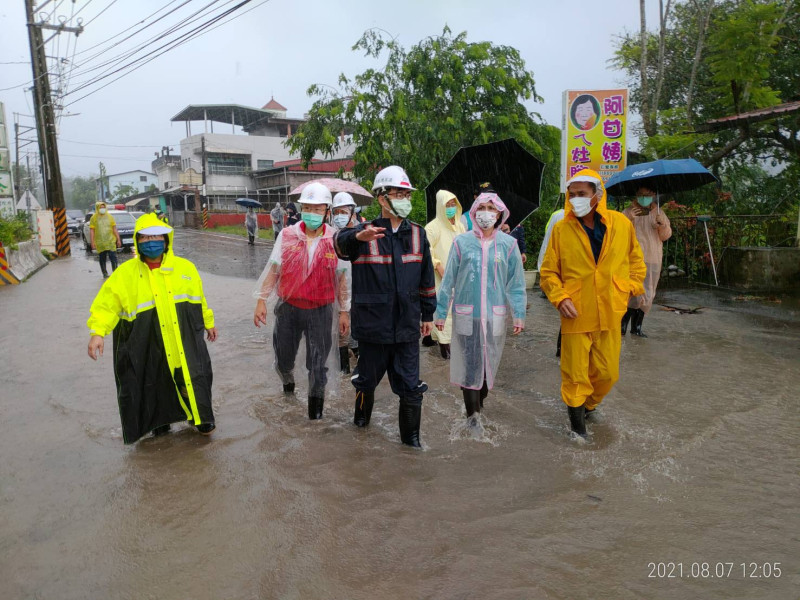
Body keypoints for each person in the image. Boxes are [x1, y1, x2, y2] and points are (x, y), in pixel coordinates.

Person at [87, 213, 217, 443]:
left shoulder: (186, 268)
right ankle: (160, 424)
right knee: (154, 385)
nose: (151, 242)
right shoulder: (125, 275)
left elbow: (199, 300)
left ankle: (200, 418)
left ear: (167, 239)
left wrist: (209, 322)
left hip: (183, 345)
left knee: (195, 380)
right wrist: (98, 332)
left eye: (156, 237)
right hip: (151, 345)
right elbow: (106, 305)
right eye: (145, 238)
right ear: (137, 241)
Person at [334, 165, 436, 448]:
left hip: (406, 326)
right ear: (381, 197)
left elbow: (426, 275)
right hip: (372, 326)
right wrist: (356, 237)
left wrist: (428, 313)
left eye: (407, 193)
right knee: (366, 382)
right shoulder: (362, 232)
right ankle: (361, 426)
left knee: (411, 387)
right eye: (398, 193)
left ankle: (412, 444)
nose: (404, 198)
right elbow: (339, 246)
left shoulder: (417, 234)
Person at [540, 169, 645, 438]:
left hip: (611, 309)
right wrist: (559, 297)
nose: (576, 199)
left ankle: (588, 405)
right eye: (572, 195)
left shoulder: (621, 224)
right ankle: (578, 432)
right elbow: (549, 272)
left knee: (608, 373)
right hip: (576, 312)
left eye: (582, 194)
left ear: (597, 195)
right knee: (575, 374)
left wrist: (630, 287)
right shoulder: (562, 229)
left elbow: (635, 261)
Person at [253, 182, 351, 420]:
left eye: (318, 209)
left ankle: (314, 417)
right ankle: (288, 384)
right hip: (289, 309)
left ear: (327, 211)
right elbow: (274, 269)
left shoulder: (336, 239)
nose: (312, 213)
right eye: (308, 207)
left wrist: (344, 311)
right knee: (283, 360)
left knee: (318, 366)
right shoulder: (287, 235)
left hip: (320, 311)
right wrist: (261, 300)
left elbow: (342, 279)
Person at [435, 192, 526, 425]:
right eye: (482, 208)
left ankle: (479, 402)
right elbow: (449, 281)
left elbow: (516, 284)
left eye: (491, 208)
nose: (486, 213)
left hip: (494, 317)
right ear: (474, 212)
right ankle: (472, 418)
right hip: (468, 315)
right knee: (469, 368)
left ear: (499, 214)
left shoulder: (508, 245)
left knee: (487, 368)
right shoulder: (461, 242)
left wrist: (519, 315)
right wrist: (441, 313)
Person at [621, 188, 672, 337]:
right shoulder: (628, 212)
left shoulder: (658, 212)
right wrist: (628, 219)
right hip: (633, 259)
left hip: (653, 258)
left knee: (648, 293)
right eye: (642, 195)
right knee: (633, 292)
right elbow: (618, 232)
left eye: (648, 195)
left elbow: (665, 236)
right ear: (636, 195)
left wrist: (662, 224)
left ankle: (637, 327)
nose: (645, 198)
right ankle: (622, 324)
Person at [424, 189, 466, 359]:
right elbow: (427, 251)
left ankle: (447, 340)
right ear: (440, 206)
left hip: (459, 275)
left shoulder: (460, 226)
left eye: (453, 204)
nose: (450, 208)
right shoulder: (432, 228)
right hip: (440, 276)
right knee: (444, 308)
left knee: (458, 308)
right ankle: (444, 345)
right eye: (447, 205)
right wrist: (438, 266)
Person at [331, 192, 359, 374]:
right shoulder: (330, 236)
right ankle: (344, 372)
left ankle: (360, 367)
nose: (340, 215)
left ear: (353, 212)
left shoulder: (362, 234)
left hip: (359, 294)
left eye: (344, 211)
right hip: (337, 296)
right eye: (336, 211)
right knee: (342, 334)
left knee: (358, 333)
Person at [537, 208, 566, 355]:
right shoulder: (560, 217)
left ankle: (562, 349)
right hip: (560, 268)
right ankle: (562, 349)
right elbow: (550, 239)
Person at [89, 201, 122, 279]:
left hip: (110, 240)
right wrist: (92, 242)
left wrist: (118, 239)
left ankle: (115, 273)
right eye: (101, 207)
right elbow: (92, 230)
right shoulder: (93, 218)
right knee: (102, 258)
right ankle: (104, 273)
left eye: (103, 207)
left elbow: (114, 229)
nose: (102, 209)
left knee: (113, 257)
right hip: (100, 242)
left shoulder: (110, 217)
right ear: (97, 208)